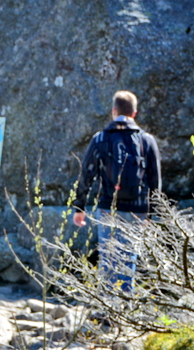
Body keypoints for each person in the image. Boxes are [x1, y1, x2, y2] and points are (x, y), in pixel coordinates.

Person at [72, 90, 161, 291]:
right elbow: (155, 181)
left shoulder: (101, 138)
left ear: (114, 111)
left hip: (108, 207)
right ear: (134, 113)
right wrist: (152, 214)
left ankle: (108, 313)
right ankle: (123, 312)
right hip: (137, 209)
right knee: (129, 261)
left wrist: (80, 207)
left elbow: (86, 173)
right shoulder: (146, 140)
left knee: (108, 259)